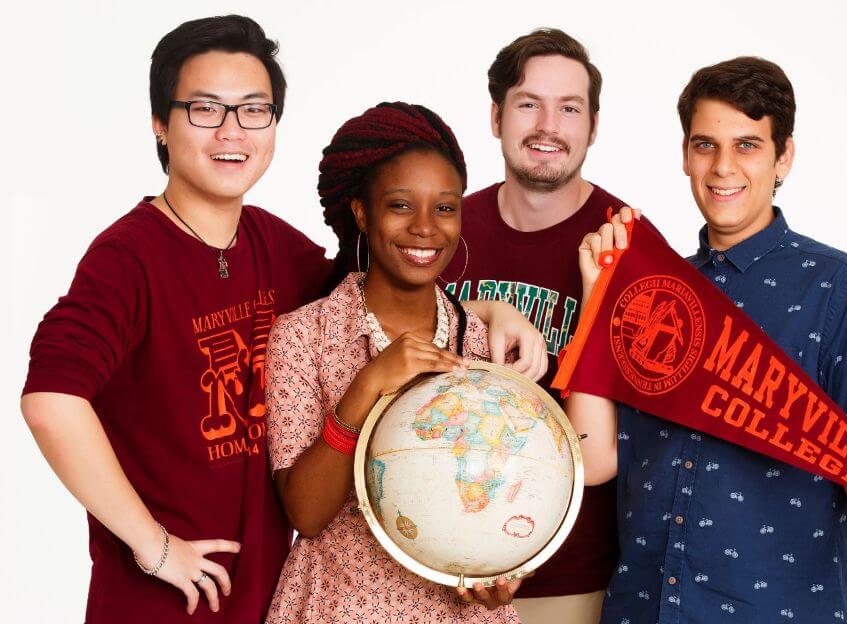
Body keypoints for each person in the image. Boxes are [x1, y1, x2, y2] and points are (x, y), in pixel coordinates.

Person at [20, 16, 544, 622]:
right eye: (205, 109)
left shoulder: (269, 245)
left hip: (265, 597)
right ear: (161, 124)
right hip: (164, 599)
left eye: (253, 110)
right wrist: (153, 547)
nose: (231, 130)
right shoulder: (127, 258)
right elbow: (52, 400)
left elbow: (379, 289)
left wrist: (489, 310)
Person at [573, 57, 847, 623]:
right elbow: (594, 456)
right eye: (705, 144)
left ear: (783, 156)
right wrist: (600, 303)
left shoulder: (835, 285)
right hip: (641, 607)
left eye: (747, 145)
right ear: (685, 153)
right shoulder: (659, 291)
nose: (722, 167)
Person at [264, 101, 522, 623]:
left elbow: (510, 494)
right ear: (362, 212)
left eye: (445, 208)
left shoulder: (485, 347)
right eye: (401, 205)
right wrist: (368, 387)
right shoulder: (302, 337)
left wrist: (508, 571)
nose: (425, 228)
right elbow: (306, 514)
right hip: (341, 609)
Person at [442, 28, 636, 624]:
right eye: (529, 103)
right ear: (497, 116)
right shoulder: (441, 228)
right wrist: (485, 312)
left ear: (593, 126)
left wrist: (598, 296)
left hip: (570, 581)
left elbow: (620, 447)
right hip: (437, 565)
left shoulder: (628, 243)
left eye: (569, 107)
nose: (548, 124)